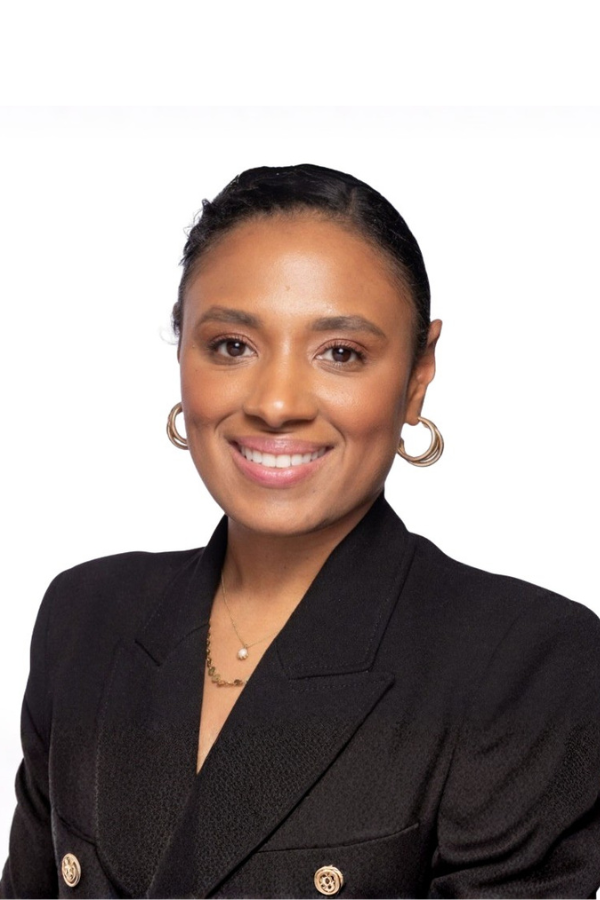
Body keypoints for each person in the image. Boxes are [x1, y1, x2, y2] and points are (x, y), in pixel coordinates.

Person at [1, 163, 599, 900]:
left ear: (417, 375)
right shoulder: (85, 616)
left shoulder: (526, 665)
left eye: (340, 354)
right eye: (231, 346)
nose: (277, 403)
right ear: (182, 349)